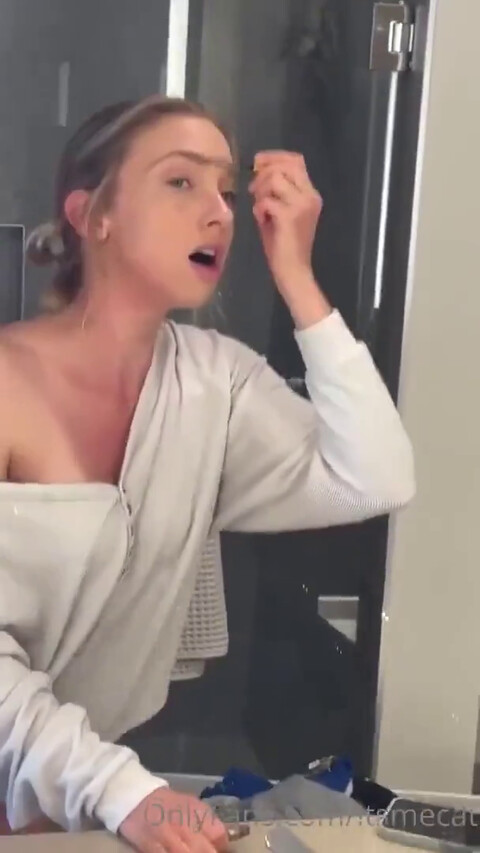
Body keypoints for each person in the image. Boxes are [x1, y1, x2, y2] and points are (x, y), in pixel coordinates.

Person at [0, 94, 414, 852]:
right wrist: (126, 791)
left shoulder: (214, 383)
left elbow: (375, 476)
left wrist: (298, 280)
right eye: (181, 182)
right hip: (87, 797)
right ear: (93, 215)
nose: (219, 213)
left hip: (60, 816)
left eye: (226, 189)